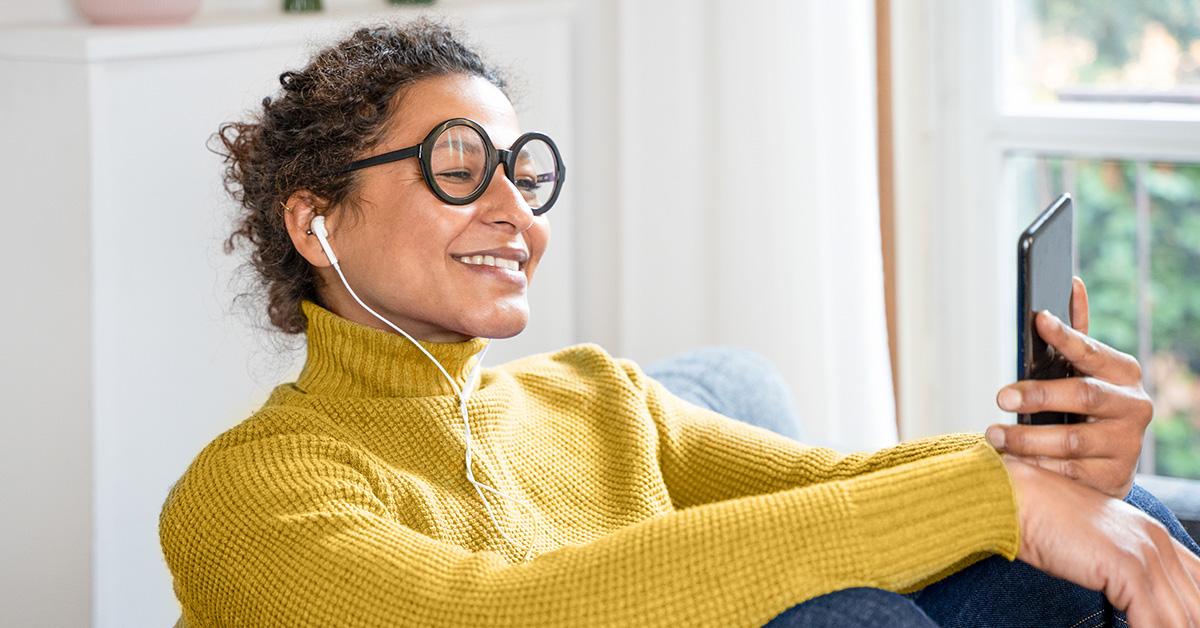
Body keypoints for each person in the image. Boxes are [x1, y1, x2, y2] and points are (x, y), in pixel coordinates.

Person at [158, 18, 1200, 627]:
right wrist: (996, 496)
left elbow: (842, 491)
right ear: (315, 218)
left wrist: (1044, 466)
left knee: (1151, 515)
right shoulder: (249, 490)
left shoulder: (597, 399)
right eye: (460, 170)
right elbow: (494, 611)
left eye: (524, 177)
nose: (518, 216)